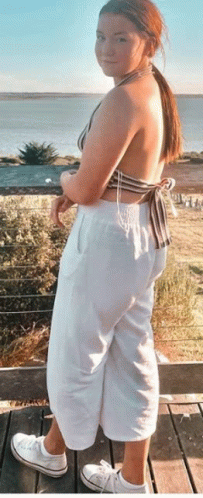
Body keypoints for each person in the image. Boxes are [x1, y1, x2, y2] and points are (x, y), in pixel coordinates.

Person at [11, 0, 182, 493]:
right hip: (141, 235)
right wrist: (91, 186)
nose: (106, 49)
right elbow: (135, 175)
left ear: (149, 43)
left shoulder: (124, 100)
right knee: (131, 351)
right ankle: (130, 481)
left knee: (75, 350)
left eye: (121, 39)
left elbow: (85, 188)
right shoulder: (151, 91)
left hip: (109, 239)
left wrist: (66, 180)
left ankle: (51, 452)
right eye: (100, 37)